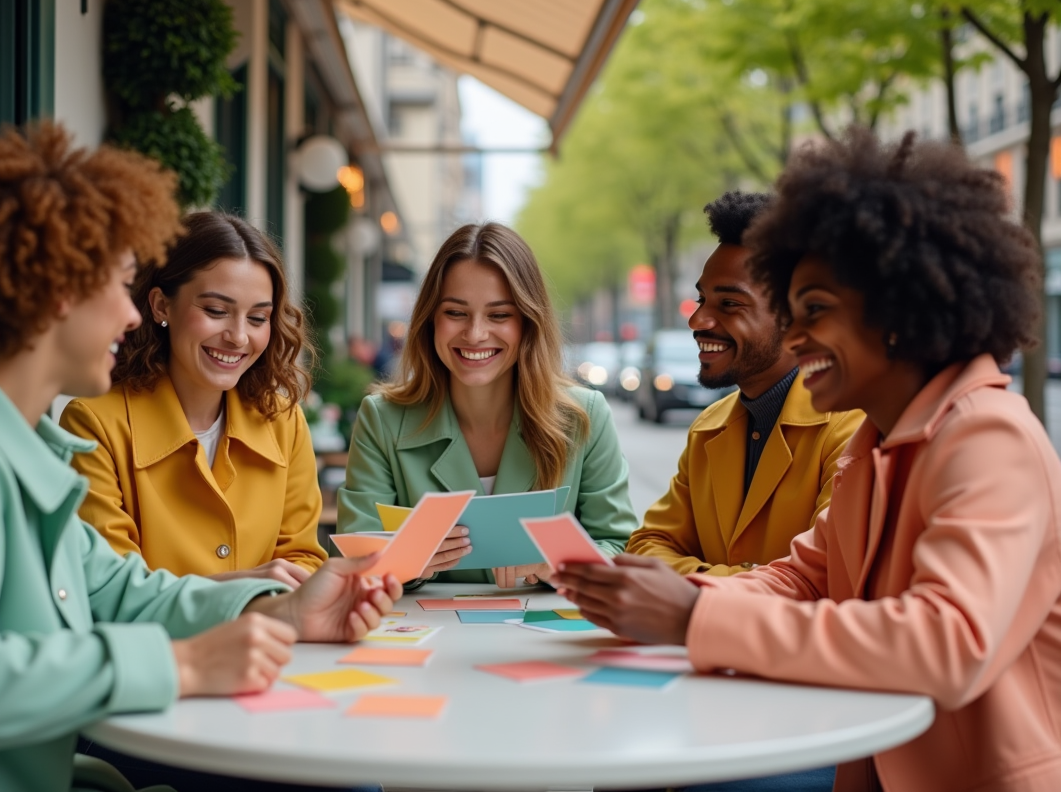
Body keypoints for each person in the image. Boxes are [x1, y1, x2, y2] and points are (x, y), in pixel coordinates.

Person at [0, 122, 400, 792]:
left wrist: (286, 609)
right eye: (118, 287)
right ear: (55, 290)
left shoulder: (10, 448)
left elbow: (117, 588)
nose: (130, 315)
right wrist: (184, 667)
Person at [558, 129, 1061, 792]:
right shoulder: (876, 444)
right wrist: (666, 598)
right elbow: (799, 579)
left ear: (897, 310)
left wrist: (690, 616)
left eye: (815, 311)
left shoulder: (986, 436)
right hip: (873, 754)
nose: (794, 338)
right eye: (791, 312)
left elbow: (948, 643)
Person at [338, 222, 636, 587]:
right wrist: (406, 561)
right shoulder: (381, 420)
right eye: (455, 313)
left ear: (528, 322)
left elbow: (620, 548)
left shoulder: (584, 416)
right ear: (431, 319)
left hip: (544, 638)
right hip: (426, 636)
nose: (476, 333)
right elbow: (354, 563)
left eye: (499, 315)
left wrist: (561, 565)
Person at [61, 212, 325, 587]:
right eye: (216, 311)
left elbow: (304, 559)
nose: (237, 337)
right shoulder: (92, 424)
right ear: (161, 306)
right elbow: (109, 584)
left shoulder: (283, 421)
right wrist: (239, 591)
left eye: (257, 318)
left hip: (272, 643)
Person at [627, 192, 863, 575]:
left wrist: (689, 586)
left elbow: (823, 577)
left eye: (729, 304)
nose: (698, 320)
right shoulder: (708, 429)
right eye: (702, 299)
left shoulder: (852, 429)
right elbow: (648, 545)